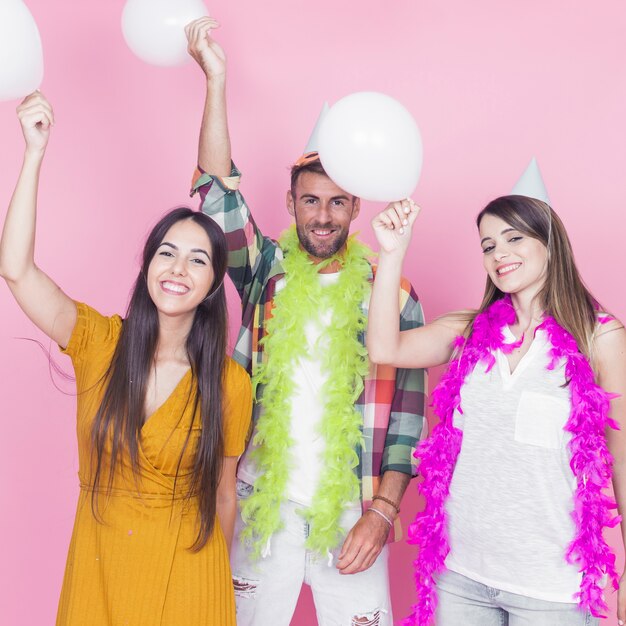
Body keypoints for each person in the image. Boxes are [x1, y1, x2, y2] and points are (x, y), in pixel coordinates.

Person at [184, 17, 426, 626]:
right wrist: (216, 80)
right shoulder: (266, 270)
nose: (323, 216)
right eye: (310, 200)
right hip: (263, 504)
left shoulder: (391, 293)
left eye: (337, 201)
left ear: (356, 206)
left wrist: (383, 513)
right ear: (290, 204)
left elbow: (406, 423)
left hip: (352, 509)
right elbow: (217, 193)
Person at [0, 91, 252, 626]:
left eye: (197, 259)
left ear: (211, 286)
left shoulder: (230, 383)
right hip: (99, 569)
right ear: (147, 268)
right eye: (166, 252)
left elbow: (225, 495)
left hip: (189, 579)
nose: (177, 268)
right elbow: (17, 269)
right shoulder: (98, 343)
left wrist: (215, 592)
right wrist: (34, 154)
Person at [367, 188, 626, 626]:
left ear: (550, 243)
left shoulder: (598, 336)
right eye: (488, 246)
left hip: (549, 586)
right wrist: (392, 253)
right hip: (463, 576)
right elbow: (384, 347)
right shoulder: (469, 330)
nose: (498, 254)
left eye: (514, 238)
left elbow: (621, 456)